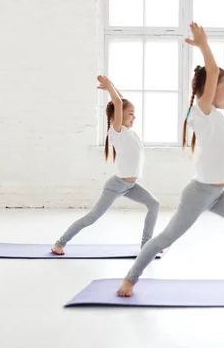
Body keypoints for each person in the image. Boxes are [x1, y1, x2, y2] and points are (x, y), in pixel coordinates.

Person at [117, 23, 224, 298]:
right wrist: (204, 46)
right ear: (211, 89)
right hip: (199, 193)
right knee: (166, 238)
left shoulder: (216, 117)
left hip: (217, 193)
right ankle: (129, 280)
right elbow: (212, 73)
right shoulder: (201, 112)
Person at [51, 75, 160, 255]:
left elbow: (120, 102)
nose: (134, 117)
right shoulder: (116, 132)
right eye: (131, 114)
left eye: (134, 113)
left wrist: (113, 87)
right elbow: (118, 103)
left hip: (130, 185)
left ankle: (145, 245)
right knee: (92, 217)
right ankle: (59, 243)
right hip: (116, 186)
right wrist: (110, 89)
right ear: (118, 115)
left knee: (154, 204)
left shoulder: (128, 133)